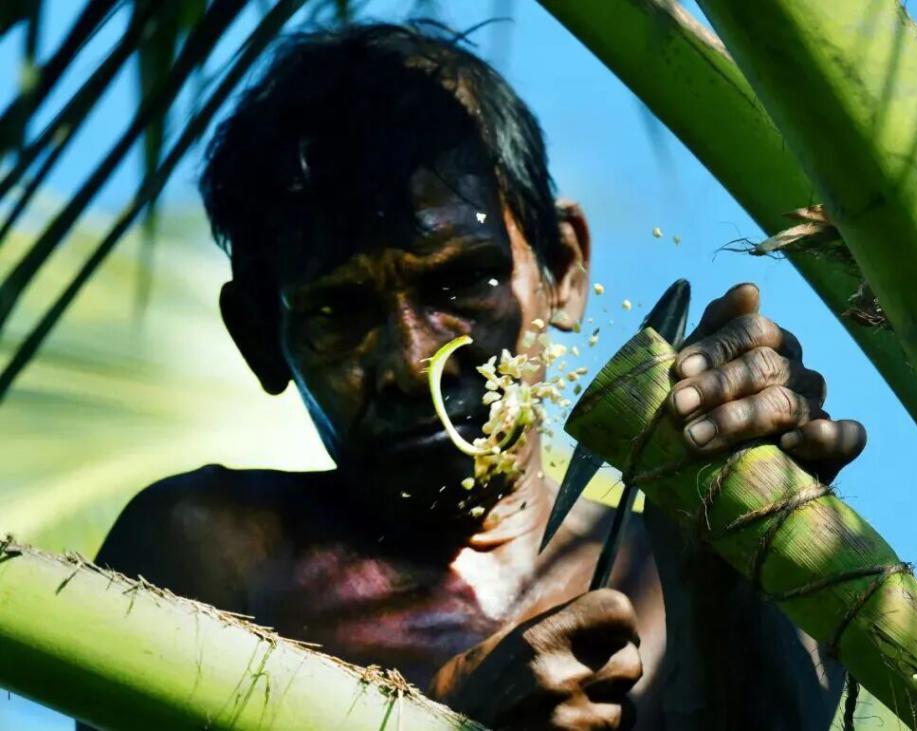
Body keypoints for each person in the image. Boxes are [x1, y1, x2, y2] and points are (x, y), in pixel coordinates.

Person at [87, 23, 867, 730]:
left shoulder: (680, 564)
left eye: (462, 283)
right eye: (340, 311)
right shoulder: (213, 554)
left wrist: (723, 572)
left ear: (561, 269)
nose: (412, 362)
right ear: (259, 337)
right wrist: (448, 715)